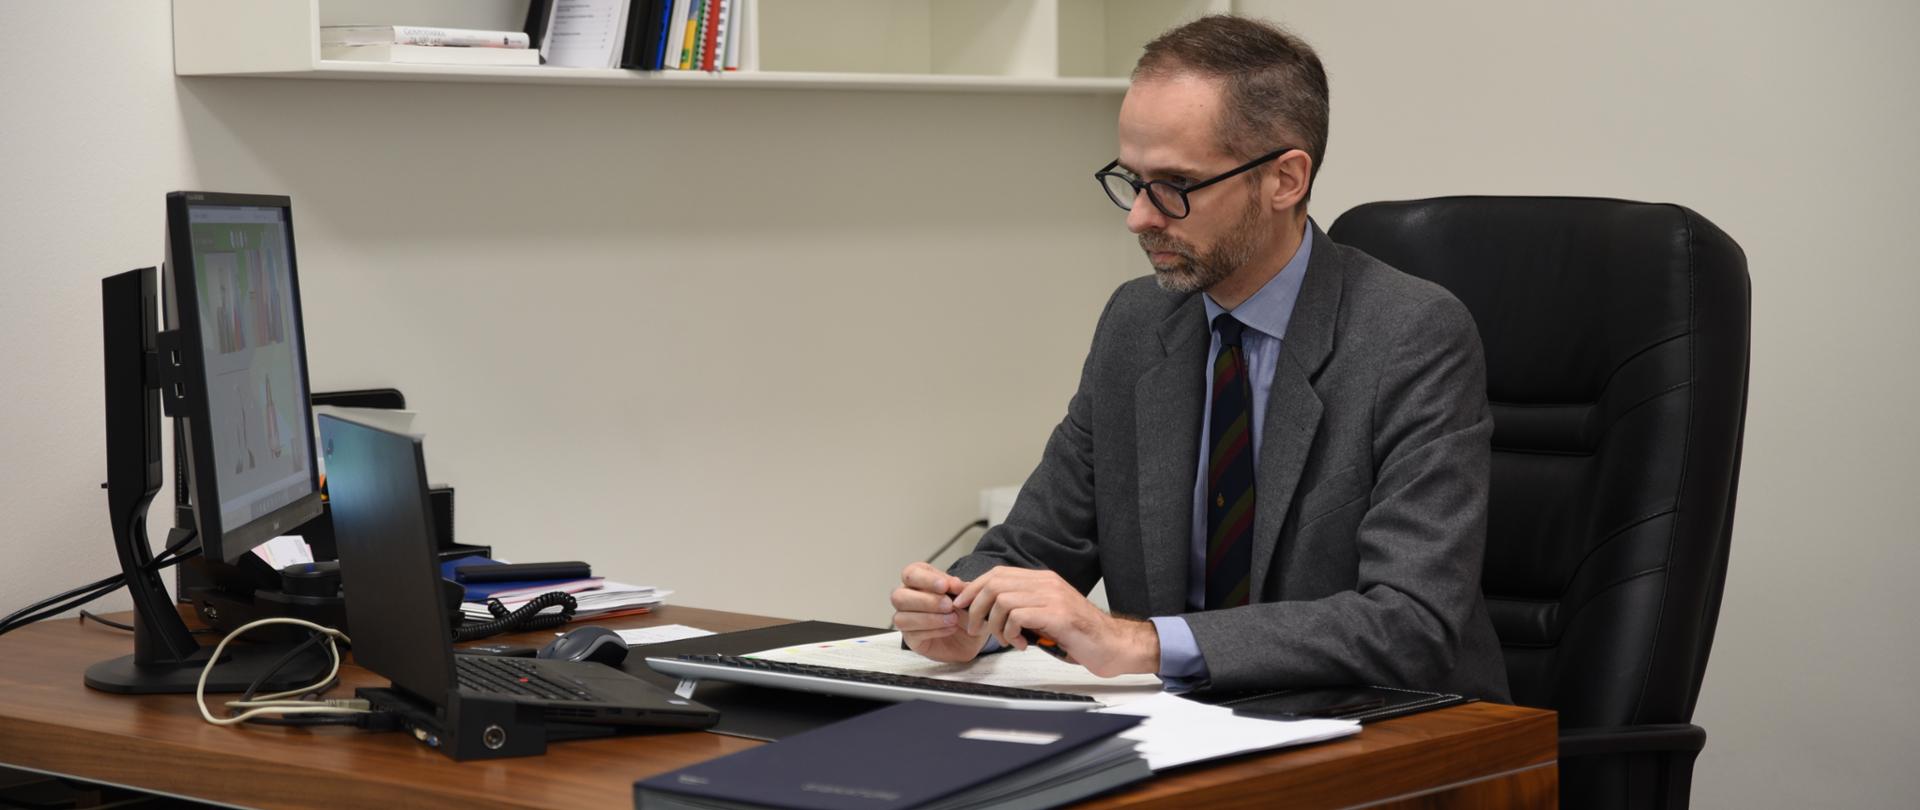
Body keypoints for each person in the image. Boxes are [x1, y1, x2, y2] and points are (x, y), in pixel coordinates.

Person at [890, 15, 1509, 700]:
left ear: (1284, 179)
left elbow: (1409, 623)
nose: (1139, 217)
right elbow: (1034, 547)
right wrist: (956, 613)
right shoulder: (1137, 324)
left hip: (1388, 727)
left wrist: (1141, 643)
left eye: (1175, 186)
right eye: (1132, 180)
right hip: (1178, 728)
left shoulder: (1411, 336)